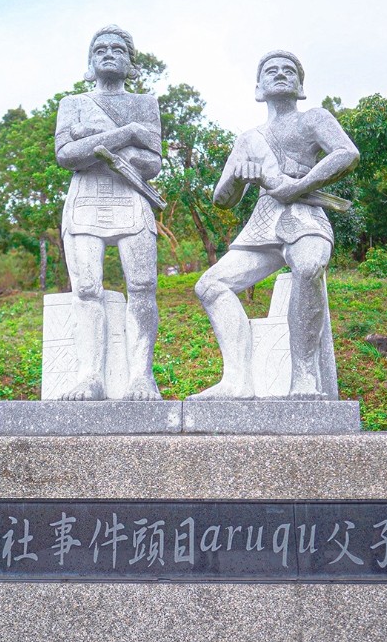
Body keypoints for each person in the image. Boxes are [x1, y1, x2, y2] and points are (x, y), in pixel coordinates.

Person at [189, 50, 360, 400]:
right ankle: (236, 380)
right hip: (264, 221)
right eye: (271, 71)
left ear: (300, 86)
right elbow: (222, 198)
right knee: (210, 286)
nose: (280, 74)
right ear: (258, 88)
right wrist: (240, 178)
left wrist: (297, 185)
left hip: (305, 214)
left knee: (309, 266)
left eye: (289, 71)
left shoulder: (314, 118)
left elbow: (347, 153)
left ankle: (304, 376)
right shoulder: (248, 139)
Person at [54, 25, 163, 400]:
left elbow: (152, 162)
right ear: (90, 61)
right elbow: (66, 156)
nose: (109, 53)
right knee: (86, 289)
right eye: (100, 49)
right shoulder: (72, 104)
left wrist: (95, 142)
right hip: (85, 202)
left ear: (131, 62)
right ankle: (89, 376)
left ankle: (141, 376)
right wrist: (125, 134)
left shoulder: (145, 104)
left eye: (118, 49)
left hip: (132, 199)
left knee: (143, 288)